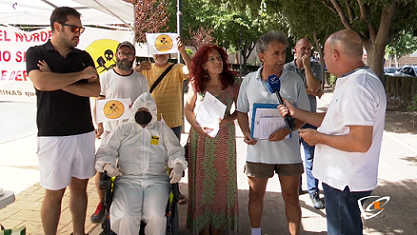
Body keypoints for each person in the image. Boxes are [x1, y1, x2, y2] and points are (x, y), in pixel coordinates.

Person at [278, 29, 387, 235]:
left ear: (335, 54)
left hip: (344, 181)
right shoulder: (353, 80)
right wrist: (296, 111)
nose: (323, 60)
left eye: (325, 55)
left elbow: (360, 142)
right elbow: (333, 120)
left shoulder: (358, 87)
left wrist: (318, 138)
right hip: (344, 179)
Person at [25, 7, 100, 235]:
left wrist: (57, 81)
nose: (79, 33)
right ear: (57, 27)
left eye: (81, 29)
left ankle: (79, 233)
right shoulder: (36, 53)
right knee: (54, 192)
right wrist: (79, 76)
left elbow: (95, 90)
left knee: (80, 189)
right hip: (53, 134)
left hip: (83, 132)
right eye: (74, 28)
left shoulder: (83, 57)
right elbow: (40, 83)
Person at [236, 31, 310, 235]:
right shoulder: (249, 81)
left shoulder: (294, 81)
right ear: (261, 57)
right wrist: (245, 132)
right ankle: (255, 232)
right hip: (258, 152)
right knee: (255, 195)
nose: (281, 58)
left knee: (291, 196)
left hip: (288, 152)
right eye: (275, 53)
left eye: (283, 52)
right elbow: (241, 111)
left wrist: (287, 128)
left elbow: (305, 116)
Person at [95, 92, 188, 235]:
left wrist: (178, 165)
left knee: (156, 215)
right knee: (126, 215)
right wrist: (107, 164)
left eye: (147, 111)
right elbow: (105, 150)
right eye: (140, 110)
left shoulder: (161, 129)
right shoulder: (123, 129)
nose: (143, 114)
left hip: (156, 180)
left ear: (153, 112)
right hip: (128, 180)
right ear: (134, 110)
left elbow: (175, 151)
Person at [90, 41, 149, 223]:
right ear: (116, 55)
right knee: (101, 167)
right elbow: (99, 103)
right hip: (110, 132)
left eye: (129, 54)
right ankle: (102, 203)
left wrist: (138, 110)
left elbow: (146, 106)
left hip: (133, 134)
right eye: (122, 53)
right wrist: (99, 125)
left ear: (134, 57)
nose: (125, 57)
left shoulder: (140, 80)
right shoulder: (105, 78)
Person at [184, 44, 240, 235]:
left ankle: (217, 225)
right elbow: (187, 110)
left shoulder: (233, 83)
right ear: (203, 65)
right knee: (201, 184)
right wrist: (197, 129)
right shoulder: (196, 83)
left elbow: (241, 111)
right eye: (211, 59)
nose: (217, 62)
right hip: (200, 141)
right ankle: (202, 227)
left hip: (224, 140)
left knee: (222, 184)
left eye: (218, 58)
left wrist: (228, 120)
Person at [136, 37, 191, 204]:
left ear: (169, 51)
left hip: (173, 123)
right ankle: (158, 189)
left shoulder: (177, 69)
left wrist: (183, 51)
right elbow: (127, 77)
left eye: (164, 50)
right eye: (157, 50)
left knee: (174, 157)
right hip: (151, 124)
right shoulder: (145, 69)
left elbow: (193, 71)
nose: (160, 54)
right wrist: (137, 69)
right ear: (151, 52)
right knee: (155, 156)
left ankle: (175, 189)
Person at [284, 38, 325, 209]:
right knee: (293, 155)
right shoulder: (286, 69)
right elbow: (285, 93)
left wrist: (307, 66)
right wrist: (310, 90)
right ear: (295, 49)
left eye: (309, 49)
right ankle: (297, 187)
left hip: (309, 118)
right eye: (303, 49)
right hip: (291, 119)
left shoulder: (315, 67)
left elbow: (316, 89)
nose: (306, 52)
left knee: (311, 157)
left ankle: (313, 192)